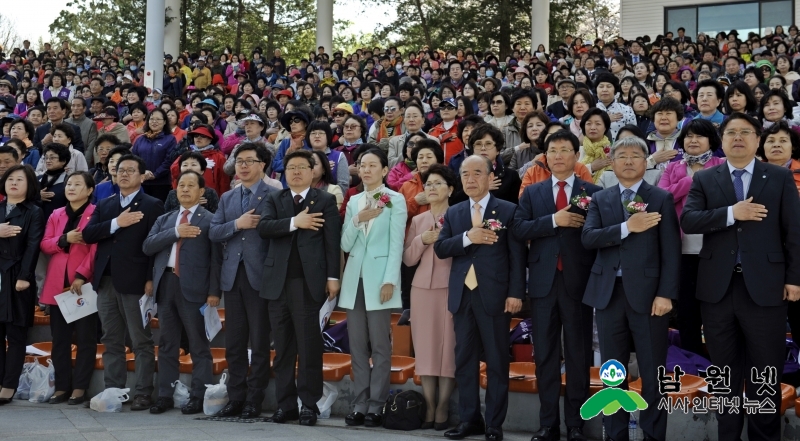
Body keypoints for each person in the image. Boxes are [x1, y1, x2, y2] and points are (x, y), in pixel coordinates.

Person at [681, 113, 800, 441]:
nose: (737, 138)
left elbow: (794, 231)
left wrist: (794, 279)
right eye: (731, 132)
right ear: (722, 138)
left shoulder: (777, 177)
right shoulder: (706, 178)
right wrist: (733, 213)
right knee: (725, 373)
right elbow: (689, 220)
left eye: (745, 132)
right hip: (717, 290)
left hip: (766, 288)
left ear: (757, 139)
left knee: (765, 372)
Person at [581, 136, 681, 441]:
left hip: (650, 296)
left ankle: (653, 436)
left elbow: (671, 250)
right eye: (621, 155)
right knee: (613, 373)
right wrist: (628, 227)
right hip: (609, 294)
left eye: (634, 156)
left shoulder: (660, 197)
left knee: (652, 373)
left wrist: (666, 294)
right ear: (612, 163)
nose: (627, 161)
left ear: (645, 161)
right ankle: (615, 435)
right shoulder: (600, 198)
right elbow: (589, 238)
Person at [513, 130, 600, 441]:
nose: (559, 155)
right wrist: (554, 221)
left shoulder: (593, 191)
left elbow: (598, 234)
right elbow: (519, 229)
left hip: (578, 281)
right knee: (546, 354)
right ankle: (548, 424)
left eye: (566, 149)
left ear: (576, 156)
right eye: (553, 150)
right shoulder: (533, 193)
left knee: (578, 354)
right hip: (542, 283)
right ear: (545, 157)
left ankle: (575, 425)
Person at [433, 155, 526, 441]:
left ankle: (494, 424)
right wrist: (468, 237)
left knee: (498, 360)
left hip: (496, 296)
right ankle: (470, 420)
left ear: (489, 177)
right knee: (464, 360)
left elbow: (517, 256)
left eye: (476, 173)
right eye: (464, 174)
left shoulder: (508, 210)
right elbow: (441, 248)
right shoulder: (455, 212)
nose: (470, 179)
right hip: (462, 296)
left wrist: (515, 293)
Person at [257, 149, 341, 426]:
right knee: (282, 350)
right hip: (277, 285)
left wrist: (333, 277)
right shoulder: (274, 198)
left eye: (302, 167)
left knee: (308, 348)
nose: (295, 172)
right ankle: (285, 405)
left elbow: (331, 242)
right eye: (290, 167)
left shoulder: (325, 200)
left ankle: (309, 405)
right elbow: (265, 227)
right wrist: (296, 222)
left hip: (309, 285)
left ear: (312, 171)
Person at [82, 154, 165, 411]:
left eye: (130, 170)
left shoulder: (152, 205)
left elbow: (156, 245)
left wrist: (151, 278)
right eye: (120, 170)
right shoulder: (105, 204)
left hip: (137, 280)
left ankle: (142, 392)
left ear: (142, 176)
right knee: (111, 338)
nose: (124, 174)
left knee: (141, 339)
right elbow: (88, 234)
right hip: (105, 279)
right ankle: (113, 389)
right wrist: (118, 223)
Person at [143, 170, 221, 415]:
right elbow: (148, 246)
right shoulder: (165, 219)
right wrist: (177, 232)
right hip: (165, 284)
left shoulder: (211, 220)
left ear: (201, 191)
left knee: (199, 344)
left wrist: (213, 292)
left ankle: (199, 395)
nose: (185, 189)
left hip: (196, 288)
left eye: (191, 186)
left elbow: (217, 260)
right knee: (167, 343)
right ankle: (165, 394)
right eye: (181, 185)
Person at [340, 148, 407, 428]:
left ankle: (377, 405)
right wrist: (358, 219)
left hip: (380, 279)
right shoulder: (354, 201)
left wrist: (390, 280)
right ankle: (359, 404)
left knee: (380, 345)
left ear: (383, 169)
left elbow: (396, 244)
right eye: (362, 165)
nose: (366, 170)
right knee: (357, 347)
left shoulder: (395, 199)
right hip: (354, 278)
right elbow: (344, 244)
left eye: (372, 165)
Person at [209, 143, 276, 418]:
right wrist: (238, 224)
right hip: (232, 277)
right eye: (239, 161)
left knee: (259, 342)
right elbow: (214, 232)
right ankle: (236, 397)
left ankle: (254, 399)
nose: (244, 166)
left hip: (261, 277)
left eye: (250, 161)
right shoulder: (227, 198)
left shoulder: (275, 194)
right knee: (234, 343)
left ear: (262, 165)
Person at [657, 119, 725, 357]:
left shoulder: (722, 165)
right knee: (687, 313)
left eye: (699, 136)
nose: (693, 140)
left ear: (711, 141)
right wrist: (691, 180)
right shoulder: (673, 168)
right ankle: (692, 366)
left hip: (715, 251)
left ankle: (720, 368)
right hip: (683, 250)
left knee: (717, 313)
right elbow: (662, 198)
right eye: (688, 136)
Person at [402, 163, 457, 430]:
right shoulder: (418, 220)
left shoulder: (459, 216)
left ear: (450, 189)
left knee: (447, 350)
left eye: (438, 183)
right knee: (425, 350)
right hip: (421, 290)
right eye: (429, 184)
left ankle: (444, 406)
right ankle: (430, 405)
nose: (432, 188)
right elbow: (408, 259)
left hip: (450, 287)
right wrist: (421, 239)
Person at [39, 171, 97, 405]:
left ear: (90, 190)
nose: (71, 187)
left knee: (85, 339)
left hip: (82, 284)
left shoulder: (96, 213)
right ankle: (62, 387)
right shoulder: (56, 213)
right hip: (57, 284)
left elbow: (96, 250)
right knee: (59, 340)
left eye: (77, 184)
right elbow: (45, 244)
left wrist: (83, 275)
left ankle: (80, 388)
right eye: (69, 184)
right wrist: (65, 239)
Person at [0, 165, 44, 404]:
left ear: (29, 185)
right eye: (10, 178)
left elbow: (33, 245)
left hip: (18, 275)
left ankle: (9, 385)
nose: (13, 182)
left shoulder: (34, 211)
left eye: (20, 179)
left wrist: (25, 276)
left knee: (16, 334)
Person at [131, 108, 178, 202]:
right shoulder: (140, 139)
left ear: (164, 122)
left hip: (161, 183)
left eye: (158, 119)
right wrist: (143, 172)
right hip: (141, 181)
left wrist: (155, 174)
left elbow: (169, 160)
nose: (154, 122)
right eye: (151, 119)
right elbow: (133, 158)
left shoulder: (170, 139)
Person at [468, 123, 521, 204]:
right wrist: (479, 190)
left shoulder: (511, 176)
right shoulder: (464, 175)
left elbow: (515, 208)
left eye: (488, 144)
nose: (483, 148)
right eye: (478, 144)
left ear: (498, 150)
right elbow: (455, 204)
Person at [593, 73, 636, 140]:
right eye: (601, 86)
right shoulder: (590, 109)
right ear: (596, 90)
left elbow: (633, 134)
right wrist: (606, 120)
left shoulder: (626, 109)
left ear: (615, 90)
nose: (604, 90)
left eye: (609, 86)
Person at [38, 143, 71, 220]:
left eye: (52, 158)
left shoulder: (68, 182)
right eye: (46, 158)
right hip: (35, 222)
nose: (48, 161)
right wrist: (37, 197)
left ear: (63, 161)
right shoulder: (37, 179)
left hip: (57, 222)